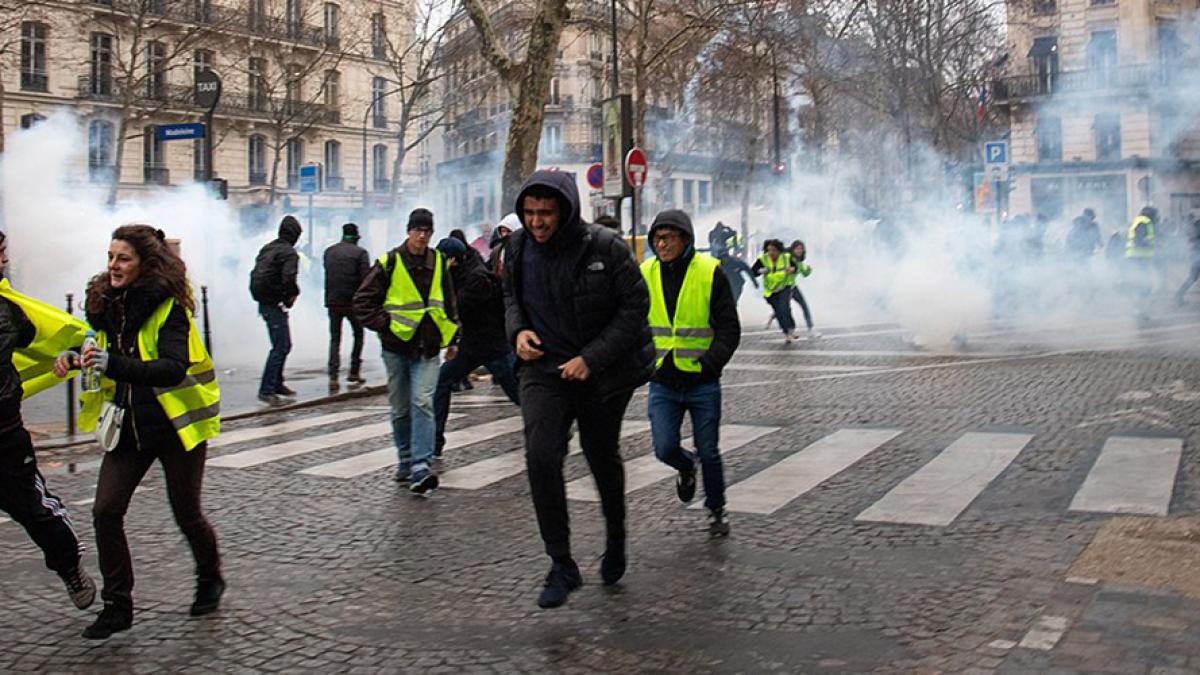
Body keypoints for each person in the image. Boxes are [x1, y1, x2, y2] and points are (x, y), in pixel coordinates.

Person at [54, 225, 223, 640]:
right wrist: (74, 357)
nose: (113, 265)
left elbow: (171, 368)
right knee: (105, 511)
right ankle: (118, 607)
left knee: (187, 513)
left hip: (175, 426)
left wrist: (111, 363)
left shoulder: (169, 307)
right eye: (110, 256)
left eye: (123, 258)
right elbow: (97, 347)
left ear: (144, 264)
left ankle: (210, 577)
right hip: (128, 426)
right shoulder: (103, 303)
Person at [504, 170, 654, 608]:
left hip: (603, 372)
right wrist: (518, 331)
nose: (536, 222)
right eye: (529, 213)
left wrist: (591, 358)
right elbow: (510, 299)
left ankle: (616, 535)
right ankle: (561, 563)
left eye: (545, 213)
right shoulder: (516, 247)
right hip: (543, 369)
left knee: (600, 454)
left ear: (566, 211)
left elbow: (635, 307)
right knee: (541, 455)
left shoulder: (605, 247)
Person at [0, 232, 97, 612]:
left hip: (3, 434)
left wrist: (75, 351)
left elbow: (48, 336)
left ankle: (69, 564)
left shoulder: (9, 309)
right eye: (1, 254)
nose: (5, 262)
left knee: (33, 510)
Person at [640, 210, 740, 536]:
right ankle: (686, 467)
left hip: (702, 381)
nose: (661, 244)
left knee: (708, 450)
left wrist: (711, 363)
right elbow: (633, 321)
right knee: (664, 448)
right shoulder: (645, 272)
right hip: (663, 381)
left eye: (668, 238)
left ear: (685, 239)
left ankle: (716, 510)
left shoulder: (709, 271)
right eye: (657, 238)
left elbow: (729, 328)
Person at [354, 208, 459, 494]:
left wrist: (454, 337)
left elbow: (449, 300)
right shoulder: (389, 262)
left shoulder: (439, 261)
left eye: (427, 231)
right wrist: (385, 324)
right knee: (401, 408)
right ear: (409, 231)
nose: (422, 236)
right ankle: (405, 458)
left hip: (428, 346)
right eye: (418, 230)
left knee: (422, 402)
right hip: (396, 346)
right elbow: (362, 301)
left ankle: (421, 465)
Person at [432, 237, 519, 457]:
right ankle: (435, 440)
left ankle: (552, 426)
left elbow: (457, 308)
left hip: (493, 346)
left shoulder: (475, 278)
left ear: (453, 260)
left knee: (518, 393)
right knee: (442, 381)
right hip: (472, 346)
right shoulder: (462, 274)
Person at [250, 215, 301, 405]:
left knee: (282, 344)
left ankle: (277, 383)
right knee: (281, 346)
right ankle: (267, 389)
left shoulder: (268, 248)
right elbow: (289, 278)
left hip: (264, 300)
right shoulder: (289, 253)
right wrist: (291, 295)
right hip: (274, 302)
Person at [323, 223, 370, 391]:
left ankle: (333, 375)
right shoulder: (360, 253)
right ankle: (354, 371)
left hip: (333, 301)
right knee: (358, 334)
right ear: (356, 237)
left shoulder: (329, 252)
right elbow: (366, 279)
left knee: (335, 338)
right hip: (352, 302)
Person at [751, 239, 799, 341]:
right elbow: (753, 272)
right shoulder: (763, 259)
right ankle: (786, 332)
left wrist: (792, 269)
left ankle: (791, 328)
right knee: (779, 311)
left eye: (773, 250)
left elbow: (796, 268)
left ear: (779, 250)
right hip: (770, 290)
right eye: (769, 250)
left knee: (784, 308)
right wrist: (760, 271)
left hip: (784, 286)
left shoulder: (786, 257)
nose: (771, 253)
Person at [1126, 206, 1158, 325]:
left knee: (1143, 285)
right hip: (1139, 258)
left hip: (1138, 258)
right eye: (1155, 215)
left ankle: (1140, 310)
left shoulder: (1140, 221)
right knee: (1144, 286)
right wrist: (1149, 243)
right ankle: (1139, 311)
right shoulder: (1144, 222)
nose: (1156, 218)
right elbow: (1138, 240)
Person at [787, 240, 818, 337]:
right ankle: (789, 330)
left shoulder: (799, 262)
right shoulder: (787, 259)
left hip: (793, 287)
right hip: (784, 288)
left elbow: (804, 274)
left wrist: (808, 270)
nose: (799, 251)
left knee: (804, 306)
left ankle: (810, 328)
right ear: (793, 249)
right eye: (797, 249)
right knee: (784, 309)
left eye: (801, 249)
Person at [1175, 217, 1200, 306]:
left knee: (1192, 278)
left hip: (1196, 257)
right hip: (1197, 257)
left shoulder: (1196, 225)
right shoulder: (1198, 226)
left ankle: (1179, 295)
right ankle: (1178, 295)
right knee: (1192, 278)